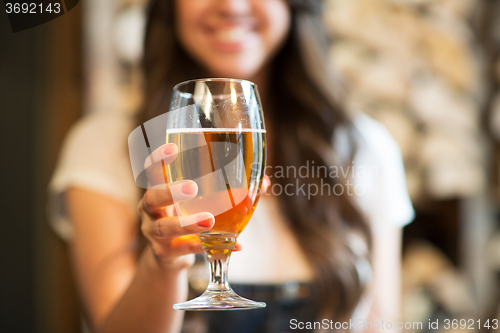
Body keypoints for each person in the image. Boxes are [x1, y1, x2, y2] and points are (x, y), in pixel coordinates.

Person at [49, 0, 414, 332]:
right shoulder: (108, 146)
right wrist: (164, 261)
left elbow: (381, 324)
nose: (231, 5)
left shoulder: (364, 148)